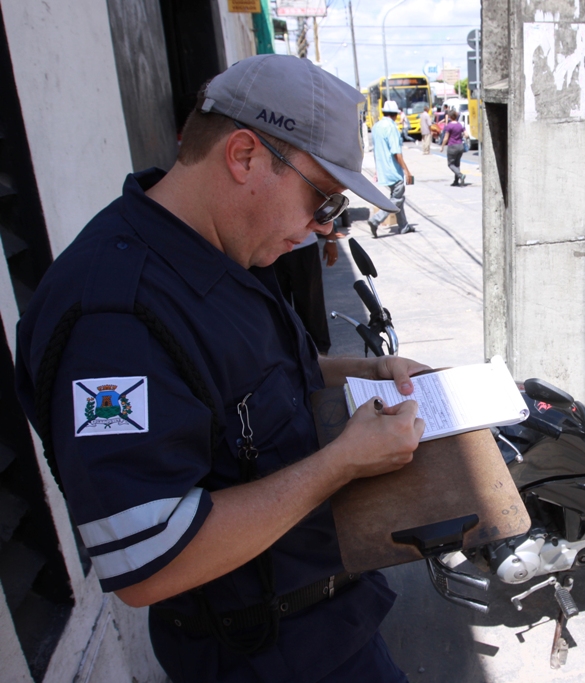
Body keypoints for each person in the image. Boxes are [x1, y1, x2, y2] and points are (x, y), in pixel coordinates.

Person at [14, 54, 428, 682]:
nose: (322, 230)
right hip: (260, 659)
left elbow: (254, 378)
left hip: (326, 626)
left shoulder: (215, 250)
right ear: (243, 156)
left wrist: (363, 369)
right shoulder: (112, 316)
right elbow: (149, 559)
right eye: (321, 198)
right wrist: (342, 461)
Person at [272, 219, 344, 354]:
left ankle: (320, 355)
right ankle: (285, 357)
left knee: (311, 305)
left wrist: (330, 239)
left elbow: (325, 204)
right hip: (271, 248)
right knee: (277, 307)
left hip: (304, 247)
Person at [368, 100, 413, 237]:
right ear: (396, 114)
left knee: (398, 197)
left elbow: (376, 151)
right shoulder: (391, 127)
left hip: (383, 169)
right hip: (393, 170)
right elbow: (396, 153)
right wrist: (407, 171)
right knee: (396, 199)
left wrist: (377, 170)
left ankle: (403, 226)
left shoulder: (376, 127)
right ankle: (376, 219)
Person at [440, 109, 467, 186]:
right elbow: (467, 135)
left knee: (451, 164)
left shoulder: (449, 126)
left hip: (452, 146)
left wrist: (442, 146)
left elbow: (445, 138)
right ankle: (456, 181)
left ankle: (460, 175)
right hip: (460, 146)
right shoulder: (460, 125)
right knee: (457, 164)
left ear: (450, 117)